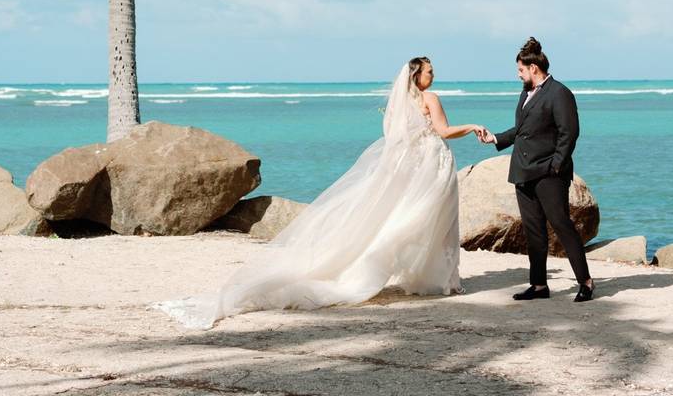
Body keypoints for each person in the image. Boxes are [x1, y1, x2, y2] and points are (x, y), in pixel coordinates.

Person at [154, 57, 486, 329]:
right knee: (435, 221)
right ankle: (437, 281)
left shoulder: (400, 103)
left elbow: (397, 138)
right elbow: (442, 131)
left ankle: (425, 278)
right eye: (430, 70)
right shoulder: (431, 99)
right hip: (431, 166)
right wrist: (472, 127)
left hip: (411, 166)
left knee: (411, 219)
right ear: (418, 76)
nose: (434, 74)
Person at [479, 37, 595, 303]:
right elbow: (522, 131)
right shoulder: (525, 92)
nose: (518, 74)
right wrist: (495, 138)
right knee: (534, 232)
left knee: (562, 226)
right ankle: (539, 285)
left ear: (533, 68)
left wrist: (556, 166)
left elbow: (569, 133)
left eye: (521, 70)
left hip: (549, 174)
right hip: (523, 171)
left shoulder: (559, 93)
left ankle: (586, 282)